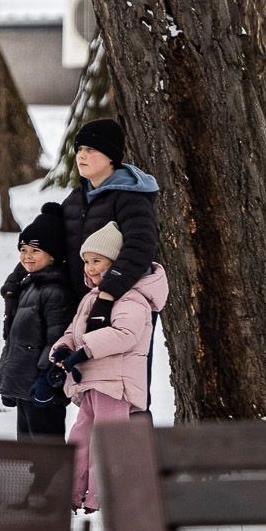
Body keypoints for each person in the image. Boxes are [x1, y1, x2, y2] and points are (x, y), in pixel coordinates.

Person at [49, 221, 168, 512]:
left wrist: (86, 350)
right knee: (80, 438)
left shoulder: (132, 298)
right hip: (92, 381)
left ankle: (100, 497)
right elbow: (73, 331)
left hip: (116, 385)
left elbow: (125, 335)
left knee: (106, 443)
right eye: (86, 261)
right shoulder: (92, 298)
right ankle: (72, 493)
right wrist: (64, 349)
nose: (89, 268)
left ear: (116, 264)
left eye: (97, 261)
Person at [59, 118, 161, 410]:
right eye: (79, 148)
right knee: (94, 391)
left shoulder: (130, 198)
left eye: (90, 149)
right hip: (87, 303)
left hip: (124, 305)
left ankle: (135, 452)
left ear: (111, 157)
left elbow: (140, 248)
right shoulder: (76, 199)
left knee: (126, 390)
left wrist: (108, 295)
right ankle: (96, 453)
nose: (81, 155)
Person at [0, 203, 74, 442]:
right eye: (23, 250)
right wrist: (10, 385)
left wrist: (47, 380)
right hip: (25, 389)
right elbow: (15, 342)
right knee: (27, 449)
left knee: (46, 452)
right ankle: (36, 481)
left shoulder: (55, 292)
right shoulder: (28, 287)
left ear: (53, 255)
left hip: (42, 389)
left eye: (35, 251)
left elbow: (56, 340)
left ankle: (52, 481)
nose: (27, 256)